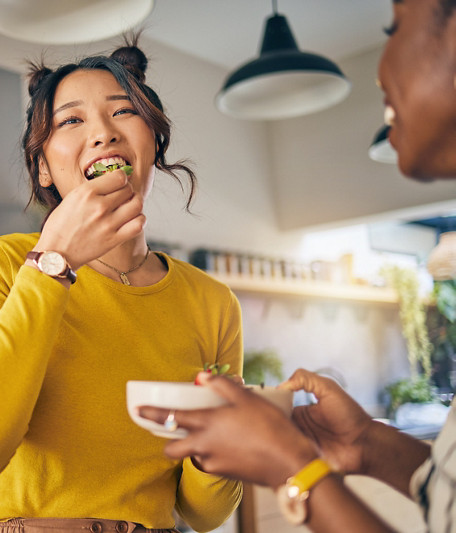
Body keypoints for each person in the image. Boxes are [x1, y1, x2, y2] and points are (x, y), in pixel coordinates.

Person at [138, 1, 456, 532]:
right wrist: (367, 443)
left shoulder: (209, 301)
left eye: (396, 28)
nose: (381, 72)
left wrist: (294, 466)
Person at [0, 39, 244, 533]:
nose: (103, 132)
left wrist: (222, 435)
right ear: (43, 167)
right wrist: (52, 264)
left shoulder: (213, 302)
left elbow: (206, 514)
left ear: (154, 145)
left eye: (123, 112)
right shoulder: (0, 265)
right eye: (71, 120)